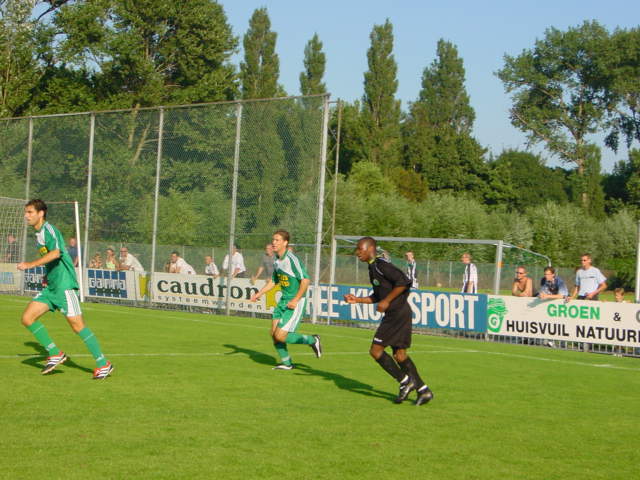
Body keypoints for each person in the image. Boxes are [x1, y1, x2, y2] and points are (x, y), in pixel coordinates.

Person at [16, 199, 113, 379]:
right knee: (28, 318)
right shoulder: (38, 234)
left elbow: (56, 253)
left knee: (77, 326)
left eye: (30, 212)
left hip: (64, 286)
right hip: (52, 287)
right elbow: (51, 259)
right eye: (26, 212)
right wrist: (47, 275)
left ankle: (103, 364)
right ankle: (55, 353)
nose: (26, 216)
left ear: (41, 213)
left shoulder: (49, 230)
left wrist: (30, 264)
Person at [343, 237, 434, 406]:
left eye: (359, 249)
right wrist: (357, 300)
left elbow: (404, 282)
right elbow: (378, 296)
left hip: (397, 314)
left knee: (375, 351)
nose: (357, 253)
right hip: (398, 314)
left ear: (370, 249)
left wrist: (387, 301)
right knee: (400, 356)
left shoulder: (381, 265)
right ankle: (424, 391)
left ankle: (405, 380)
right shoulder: (372, 268)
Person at [250, 230, 322, 370]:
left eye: (277, 240)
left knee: (280, 336)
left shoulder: (291, 259)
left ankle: (313, 340)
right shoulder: (277, 260)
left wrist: (296, 299)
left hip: (295, 302)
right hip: (284, 300)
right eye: (273, 240)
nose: (273, 243)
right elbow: (273, 281)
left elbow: (306, 280)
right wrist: (259, 293)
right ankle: (287, 363)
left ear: (285, 242)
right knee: (273, 334)